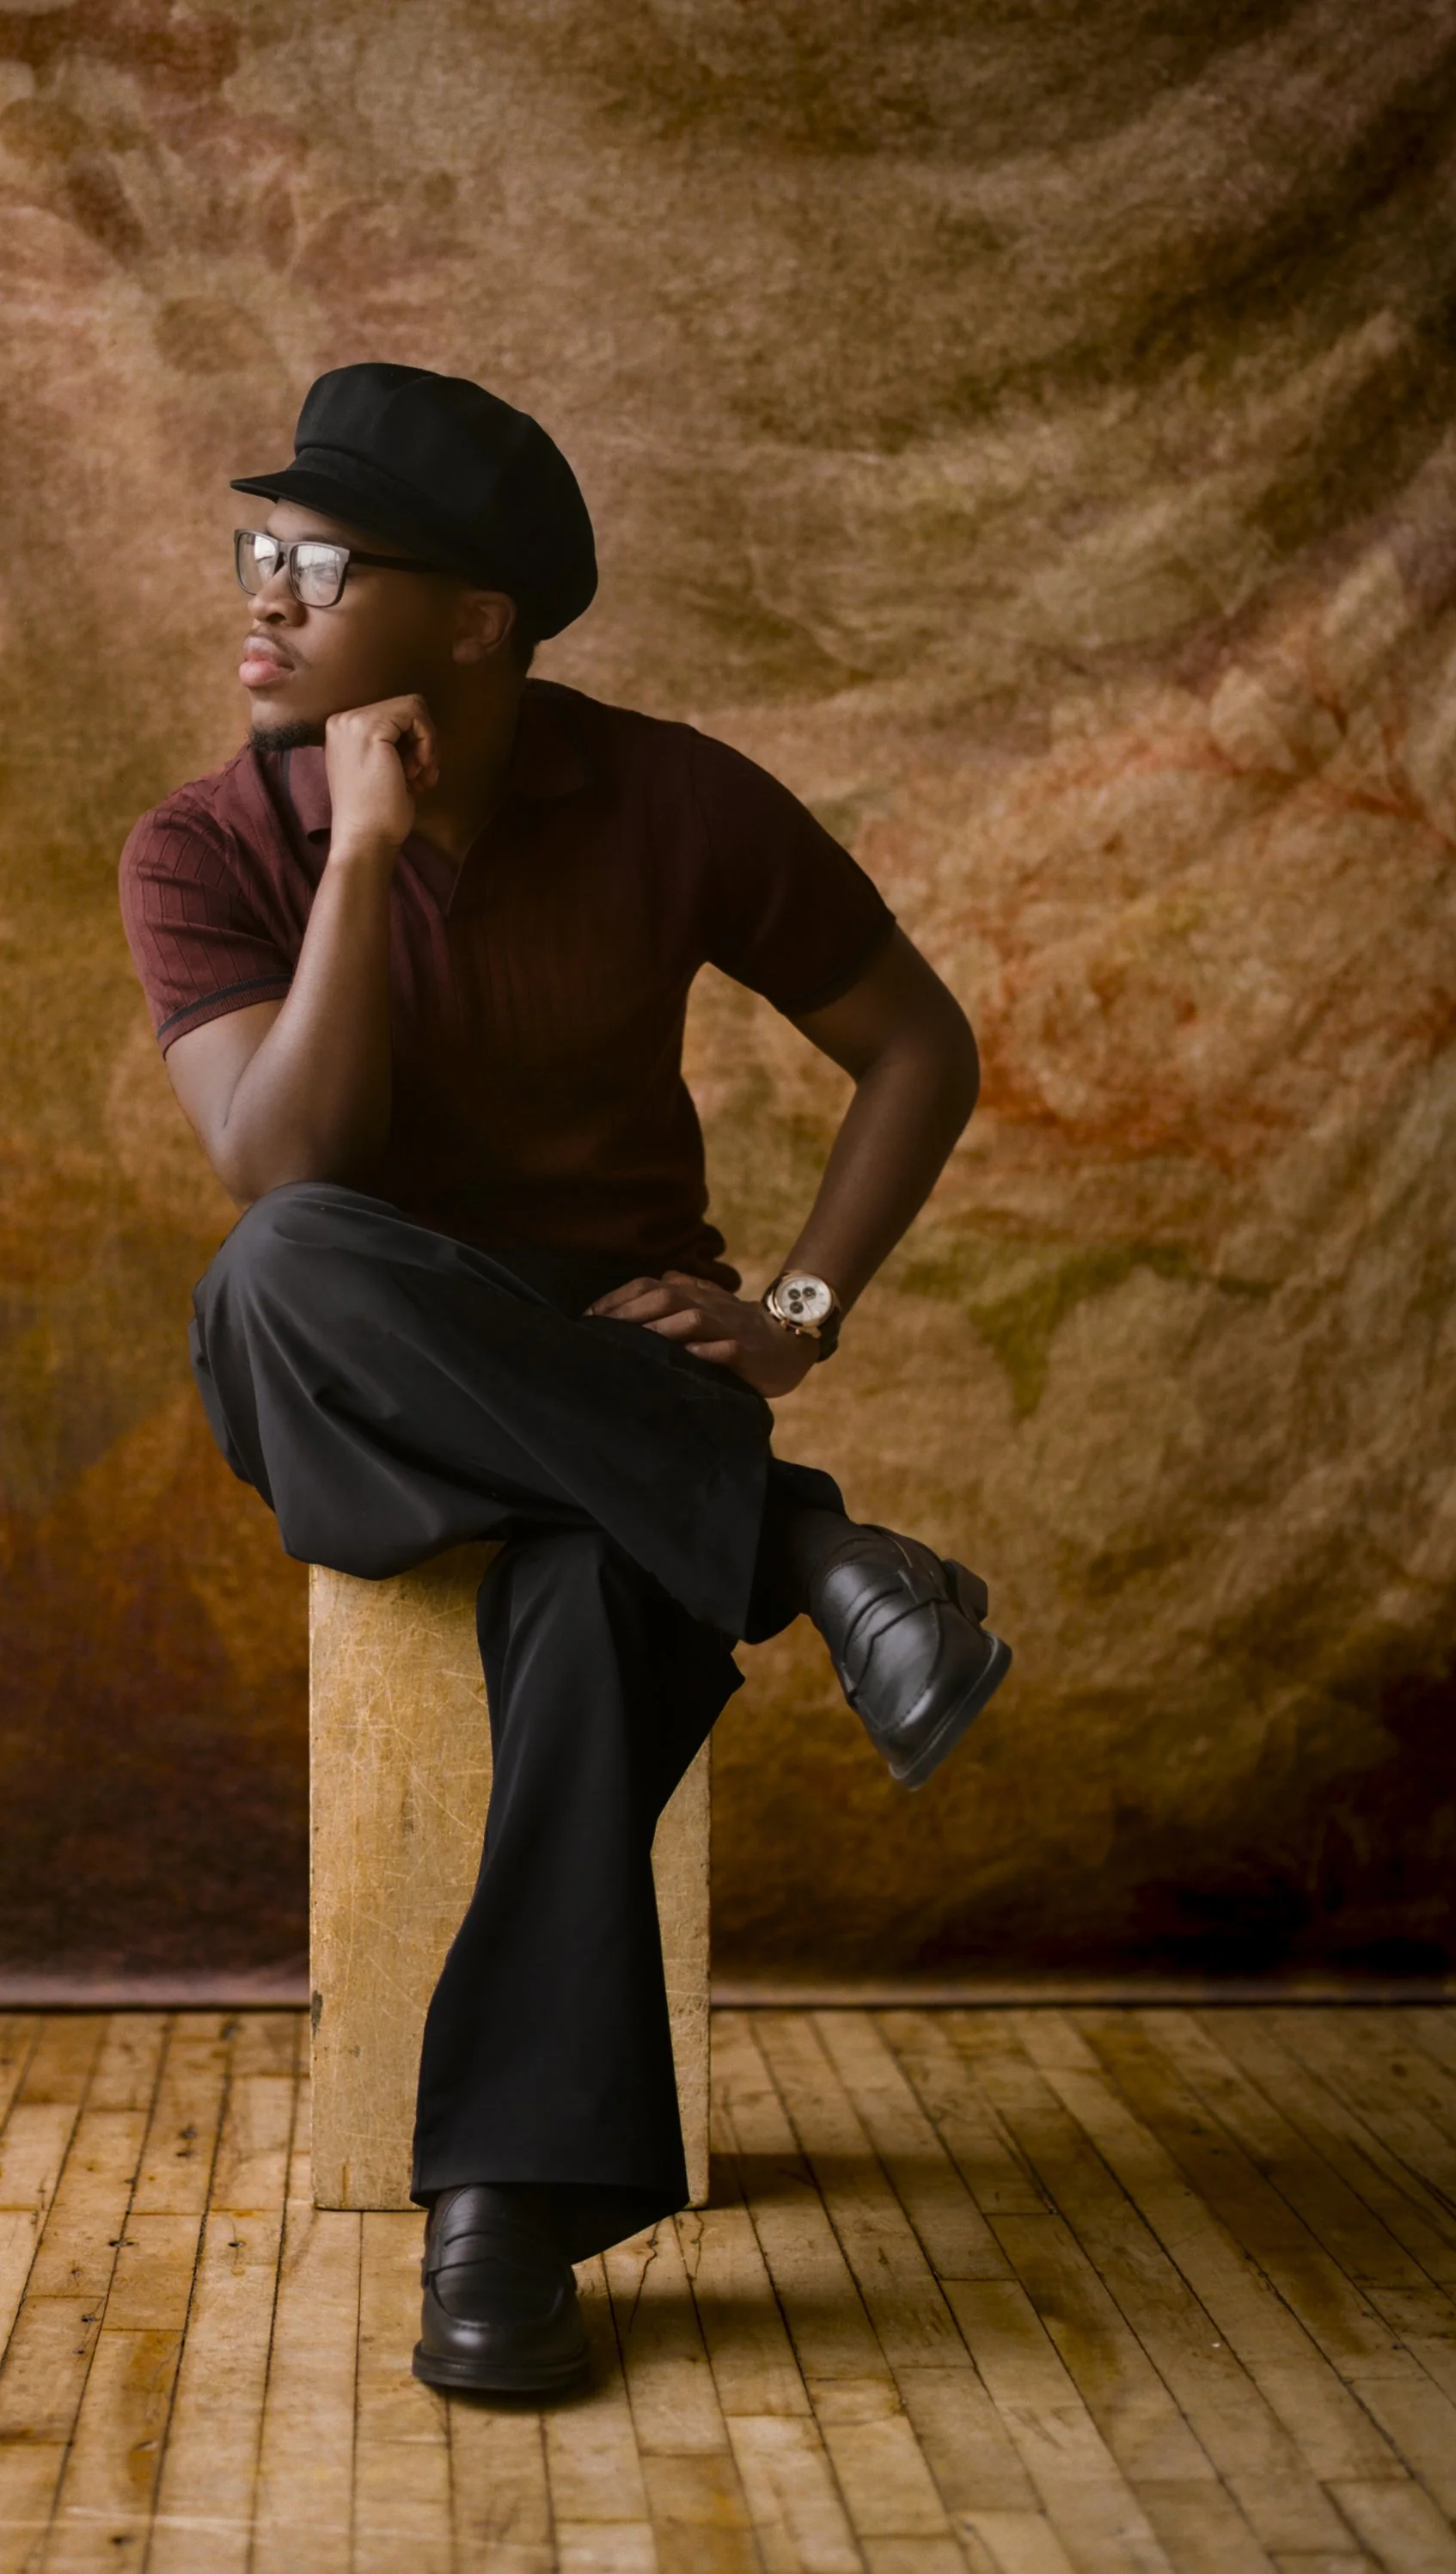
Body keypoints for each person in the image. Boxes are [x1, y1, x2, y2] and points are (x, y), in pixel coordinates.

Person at [118, 362, 1010, 2396]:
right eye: (258, 552)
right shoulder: (204, 846)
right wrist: (357, 858)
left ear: (478, 621)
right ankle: (806, 1546)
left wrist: (795, 1314)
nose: (259, 595)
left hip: (624, 1358)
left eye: (317, 563)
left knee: (605, 1607)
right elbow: (283, 1166)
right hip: (349, 1375)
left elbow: (919, 1048)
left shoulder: (674, 798)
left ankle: (503, 2216)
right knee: (285, 1260)